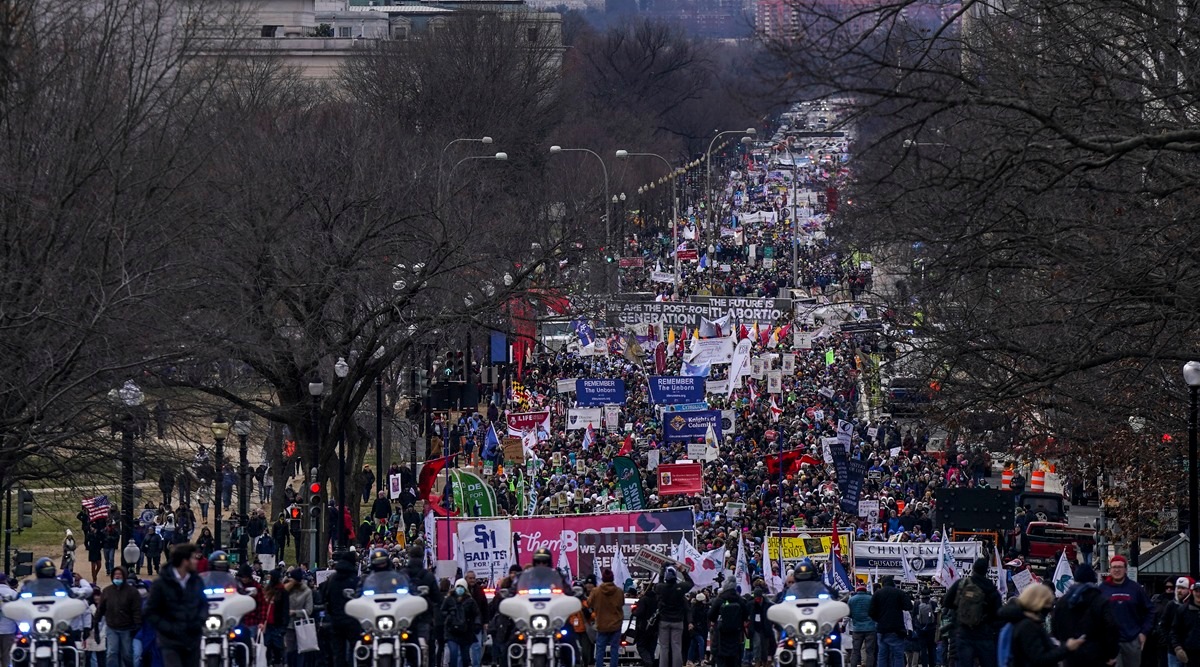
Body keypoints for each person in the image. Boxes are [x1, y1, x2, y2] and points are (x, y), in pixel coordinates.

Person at [145, 543, 208, 667]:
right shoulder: (161, 584)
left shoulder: (197, 581)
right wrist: (168, 628)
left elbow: (203, 605)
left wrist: (199, 622)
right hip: (170, 641)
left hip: (192, 640)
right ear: (185, 561)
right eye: (193, 558)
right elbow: (150, 611)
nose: (196, 561)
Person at [999, 583, 1085, 667]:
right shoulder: (1027, 626)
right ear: (1039, 603)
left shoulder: (1023, 622)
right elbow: (1040, 659)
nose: (1050, 607)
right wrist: (1067, 648)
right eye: (1048, 603)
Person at [1050, 563, 1119, 667]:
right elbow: (1111, 627)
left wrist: (1065, 646)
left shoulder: (1062, 602)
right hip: (1097, 657)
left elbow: (1055, 629)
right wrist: (1111, 655)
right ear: (1093, 580)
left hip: (1070, 656)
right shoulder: (1100, 601)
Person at [942, 557, 1003, 667]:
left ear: (973, 569)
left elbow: (946, 602)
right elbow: (998, 616)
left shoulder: (962, 584)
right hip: (984, 635)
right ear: (986, 571)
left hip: (964, 633)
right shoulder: (992, 590)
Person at [1101, 555, 1154, 667]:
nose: (1117, 570)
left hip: (1132, 640)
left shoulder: (1136, 588)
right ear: (1110, 569)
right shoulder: (1102, 588)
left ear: (1125, 569)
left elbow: (1150, 611)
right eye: (1114, 567)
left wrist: (1144, 632)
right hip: (1111, 642)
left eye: (1120, 567)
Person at [95, 566, 143, 667]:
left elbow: (136, 610)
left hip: (127, 628)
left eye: (120, 574)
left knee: (127, 654)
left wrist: (137, 625)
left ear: (124, 576)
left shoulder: (132, 592)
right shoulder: (107, 591)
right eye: (115, 574)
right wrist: (95, 623)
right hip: (112, 627)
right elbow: (101, 609)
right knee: (112, 653)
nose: (117, 576)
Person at [656, 565, 695, 667]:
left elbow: (658, 584)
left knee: (664, 647)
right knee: (677, 646)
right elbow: (690, 583)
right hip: (678, 621)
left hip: (664, 620)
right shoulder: (680, 588)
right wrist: (683, 571)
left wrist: (662, 570)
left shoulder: (661, 588)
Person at [870, 575, 913, 667]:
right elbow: (909, 606)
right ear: (892, 583)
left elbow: (870, 612)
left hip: (882, 629)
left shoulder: (877, 594)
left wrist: (879, 619)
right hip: (897, 629)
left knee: (882, 654)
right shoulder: (899, 593)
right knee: (898, 655)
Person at [589, 569, 625, 667]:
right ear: (613, 578)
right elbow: (622, 604)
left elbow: (589, 603)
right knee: (614, 649)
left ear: (603, 579)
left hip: (601, 625)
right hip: (616, 625)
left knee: (600, 649)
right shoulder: (619, 591)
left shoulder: (596, 591)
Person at [709, 578, 749, 667]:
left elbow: (711, 615)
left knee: (722, 661)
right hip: (736, 635)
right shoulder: (739, 599)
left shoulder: (720, 599)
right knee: (734, 661)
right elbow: (746, 614)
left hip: (721, 636)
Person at [441, 578, 480, 667]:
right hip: (452, 632)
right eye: (458, 586)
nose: (459, 588)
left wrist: (477, 624)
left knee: (465, 657)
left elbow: (476, 614)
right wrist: (449, 615)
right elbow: (442, 611)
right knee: (453, 654)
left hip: (465, 632)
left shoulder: (470, 601)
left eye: (462, 587)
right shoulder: (449, 599)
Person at [285, 568, 314, 667]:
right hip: (288, 625)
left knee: (300, 649)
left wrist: (295, 613)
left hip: (301, 625)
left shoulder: (307, 591)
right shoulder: (287, 589)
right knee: (289, 650)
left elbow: (309, 610)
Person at [1163, 577, 1193, 667]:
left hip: (1191, 650)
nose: (1179, 591)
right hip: (1173, 650)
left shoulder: (1193, 607)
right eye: (1178, 587)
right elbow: (1163, 625)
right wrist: (1170, 641)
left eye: (1183, 588)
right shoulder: (1171, 605)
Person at [1170, 581, 1200, 667]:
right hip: (1190, 654)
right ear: (1192, 592)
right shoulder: (1182, 610)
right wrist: (1178, 648)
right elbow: (1174, 631)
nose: (1198, 593)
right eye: (1196, 591)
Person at [848, 584, 877, 667]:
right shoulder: (871, 599)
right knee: (870, 651)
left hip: (857, 629)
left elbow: (849, 614)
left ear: (857, 591)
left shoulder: (851, 600)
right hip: (870, 628)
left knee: (855, 651)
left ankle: (853, 665)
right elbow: (875, 612)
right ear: (865, 591)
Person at [688, 592, 710, 667]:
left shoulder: (693, 607)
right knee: (701, 642)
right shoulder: (700, 608)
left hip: (695, 628)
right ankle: (701, 659)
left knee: (693, 644)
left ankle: (689, 660)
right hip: (697, 628)